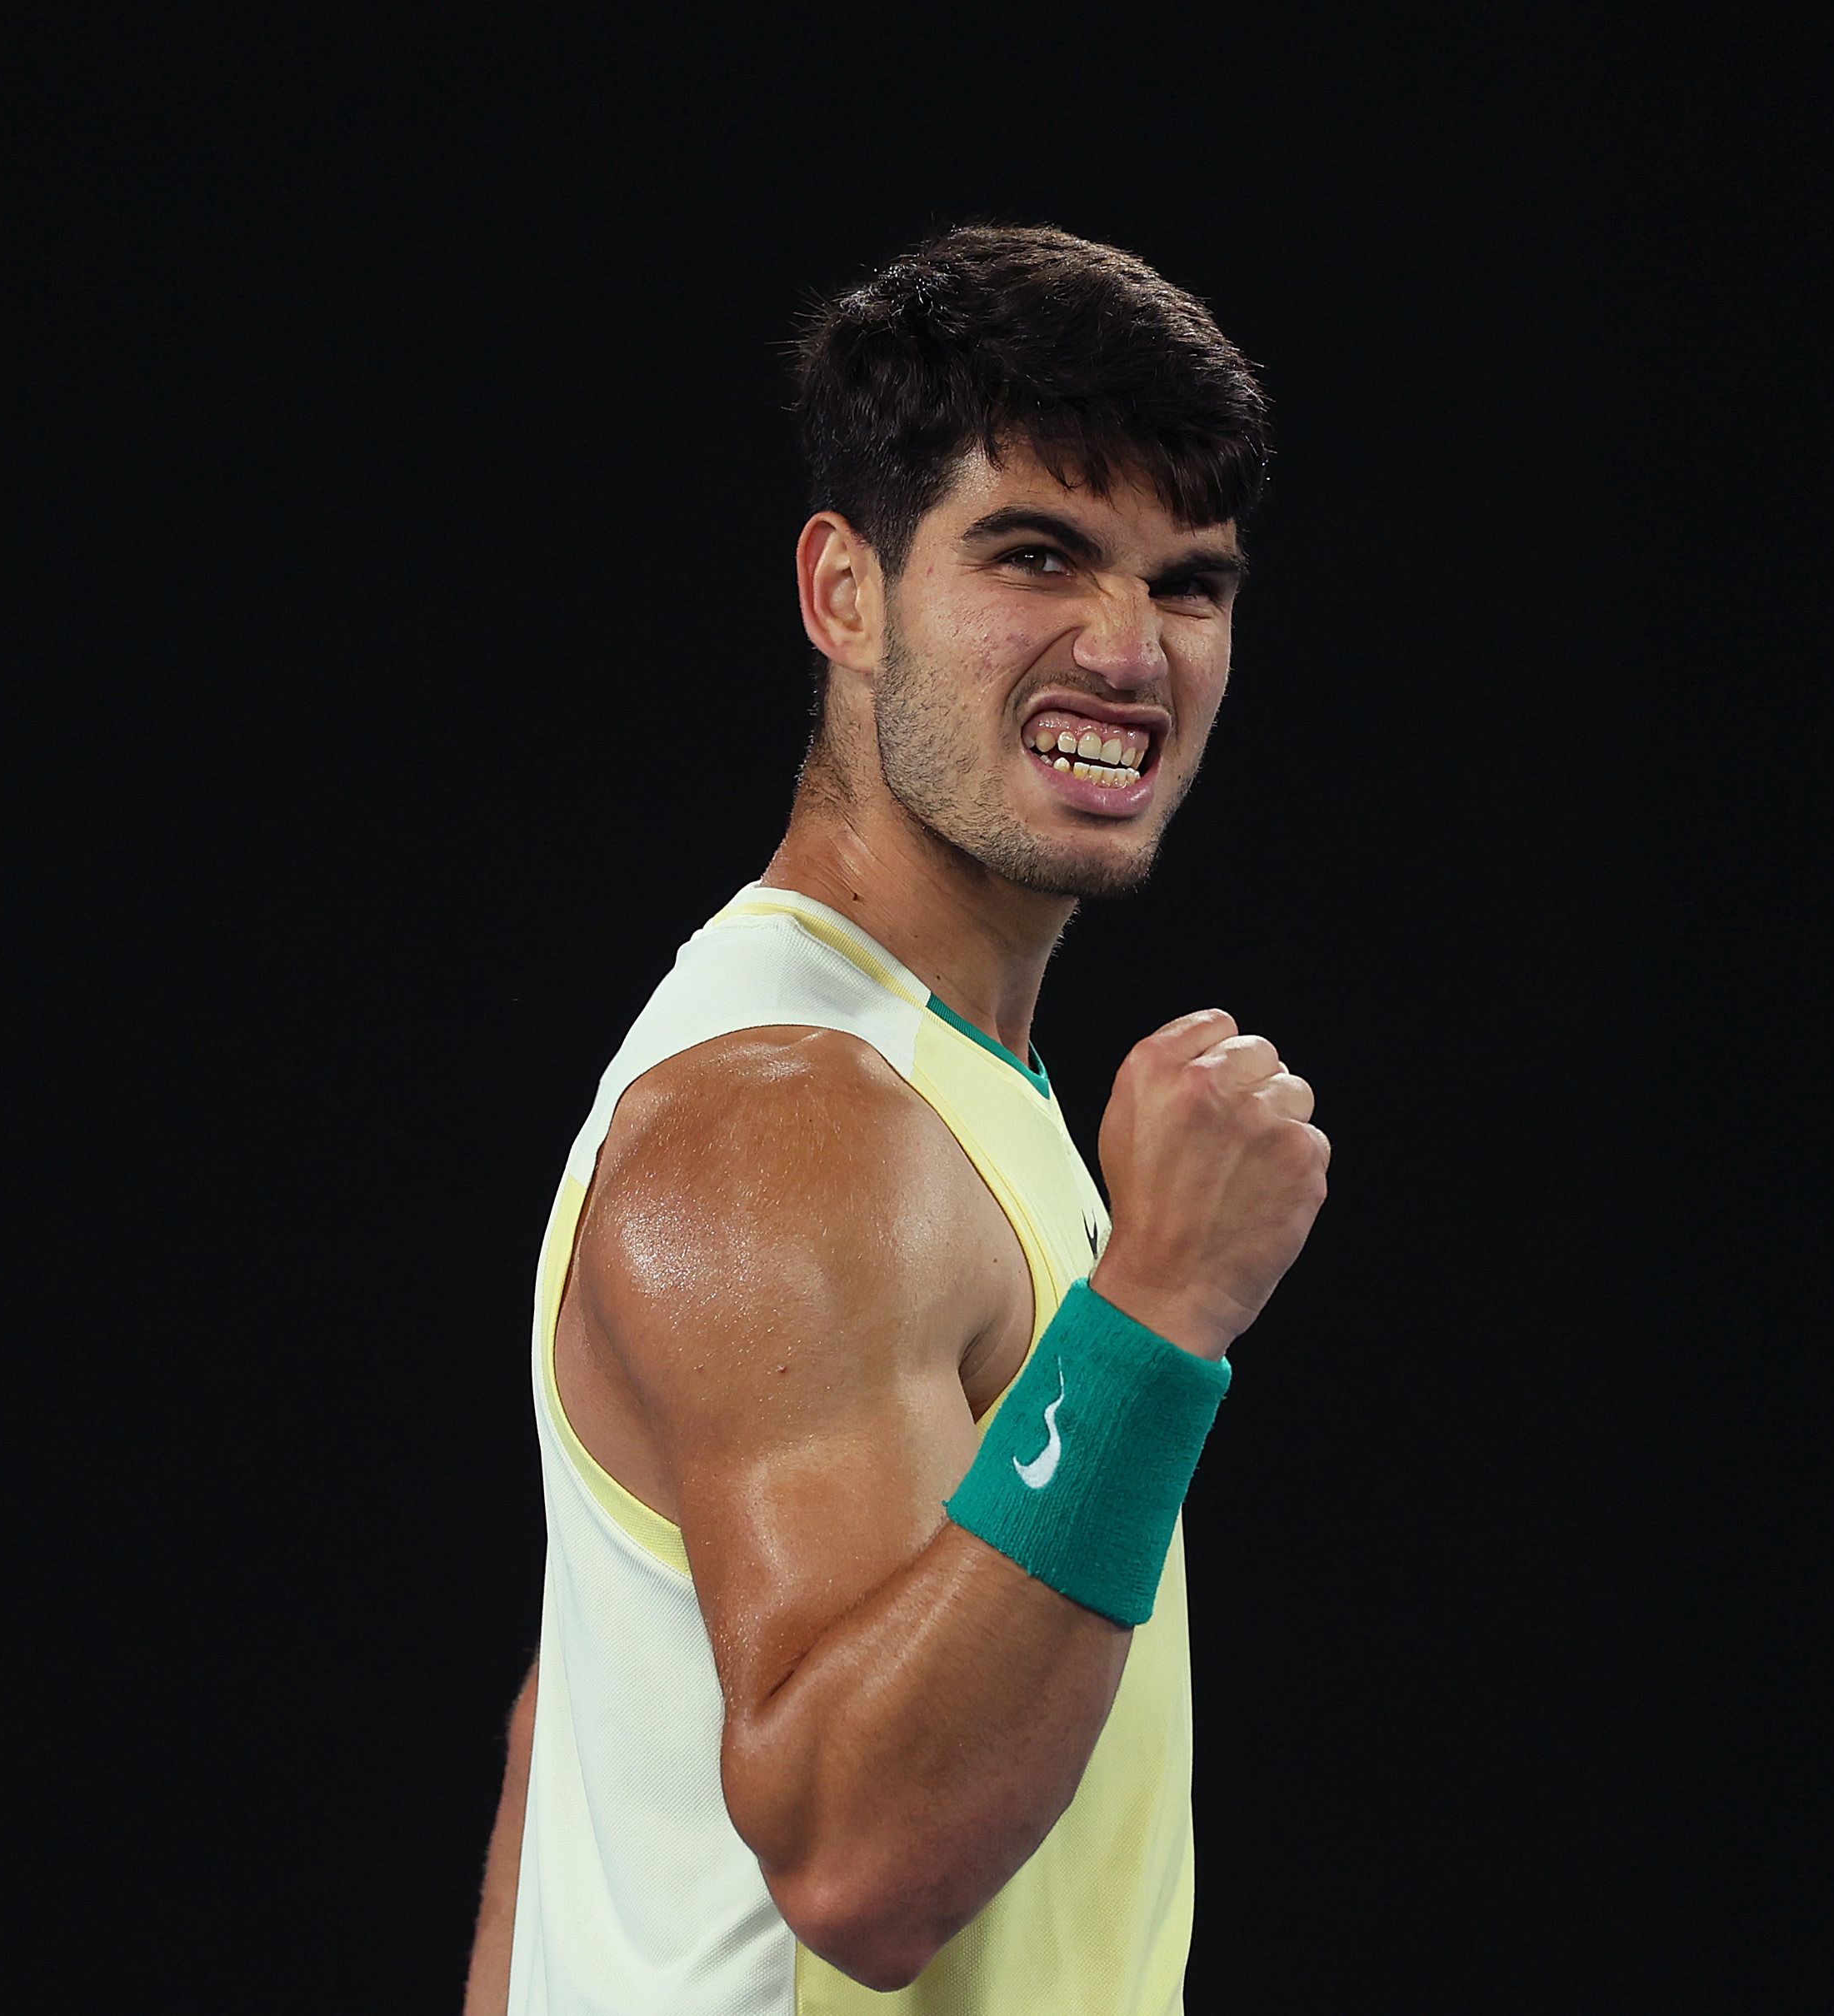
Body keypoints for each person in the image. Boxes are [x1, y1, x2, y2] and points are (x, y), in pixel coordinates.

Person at [462, 223, 1328, 2014]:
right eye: (1037, 555)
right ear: (843, 594)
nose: (1126, 649)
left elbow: (586, 1721)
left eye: (1188, 585)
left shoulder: (921, 1078)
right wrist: (1157, 1314)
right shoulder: (791, 1122)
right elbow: (858, 1864)